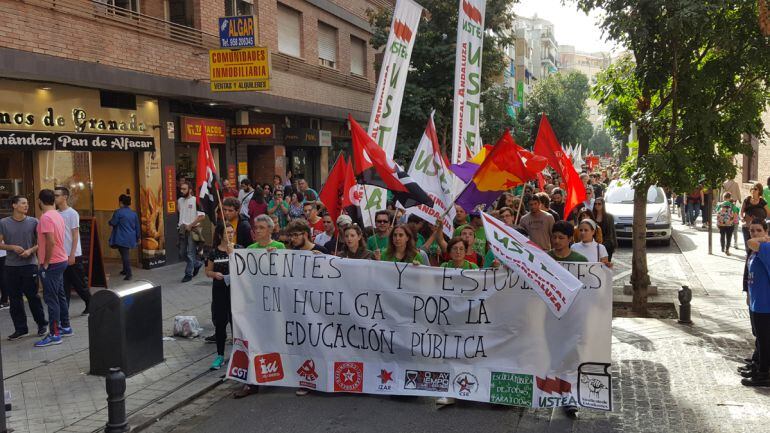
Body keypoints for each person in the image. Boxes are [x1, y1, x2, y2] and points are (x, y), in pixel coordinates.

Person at [0, 196, 47, 340]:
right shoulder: (3, 223)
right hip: (11, 266)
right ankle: (21, 329)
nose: (26, 205)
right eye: (23, 203)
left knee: (33, 297)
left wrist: (30, 251)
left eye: (27, 203)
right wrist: (12, 247)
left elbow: (41, 243)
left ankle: (42, 325)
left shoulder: (34, 222)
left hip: (30, 265)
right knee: (15, 299)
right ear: (14, 205)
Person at [34, 189, 72, 347]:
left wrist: (46, 262)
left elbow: (50, 241)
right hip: (61, 260)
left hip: (53, 263)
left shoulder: (46, 217)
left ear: (40, 201)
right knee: (60, 295)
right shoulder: (57, 215)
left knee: (51, 299)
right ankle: (66, 326)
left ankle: (55, 334)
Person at [205, 222, 238, 371]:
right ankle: (219, 355)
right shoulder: (213, 253)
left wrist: (233, 254)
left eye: (232, 232)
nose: (230, 234)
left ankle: (238, 354)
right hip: (219, 291)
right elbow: (207, 271)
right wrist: (214, 274)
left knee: (236, 323)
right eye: (227, 232)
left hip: (236, 291)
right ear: (220, 235)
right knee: (221, 323)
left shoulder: (238, 249)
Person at [55, 186, 91, 315]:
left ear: (65, 197)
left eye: (57, 195)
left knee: (79, 283)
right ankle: (64, 311)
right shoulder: (55, 214)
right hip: (60, 255)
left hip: (73, 255)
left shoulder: (72, 213)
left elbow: (75, 235)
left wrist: (72, 255)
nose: (55, 198)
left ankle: (90, 303)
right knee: (63, 285)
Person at [743, 220, 770, 387]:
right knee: (760, 339)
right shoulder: (759, 250)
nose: (754, 234)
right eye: (752, 230)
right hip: (756, 303)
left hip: (765, 305)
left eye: (759, 230)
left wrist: (763, 239)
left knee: (764, 341)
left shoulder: (766, 248)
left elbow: (750, 242)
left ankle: (763, 373)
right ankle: (759, 367)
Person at [109, 194, 141, 281]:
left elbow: (113, 222)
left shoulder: (118, 212)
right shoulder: (133, 213)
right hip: (131, 237)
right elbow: (137, 226)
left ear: (121, 202)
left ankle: (129, 273)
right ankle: (124, 270)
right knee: (124, 254)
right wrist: (138, 237)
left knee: (125, 256)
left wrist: (110, 222)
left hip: (121, 237)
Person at [177, 182, 205, 283]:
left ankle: (188, 274)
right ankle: (197, 264)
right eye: (181, 189)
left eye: (184, 189)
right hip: (182, 230)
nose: (182, 191)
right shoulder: (179, 201)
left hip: (193, 230)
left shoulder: (196, 200)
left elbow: (202, 216)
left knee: (190, 253)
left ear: (190, 189)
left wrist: (191, 225)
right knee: (182, 253)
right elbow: (180, 212)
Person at [741, 183, 770, 249]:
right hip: (747, 226)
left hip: (759, 227)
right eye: (752, 188)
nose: (753, 190)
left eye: (755, 189)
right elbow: (742, 212)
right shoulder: (747, 200)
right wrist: (742, 218)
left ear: (759, 191)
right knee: (748, 245)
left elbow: (768, 213)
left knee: (758, 246)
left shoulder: (762, 201)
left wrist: (762, 220)